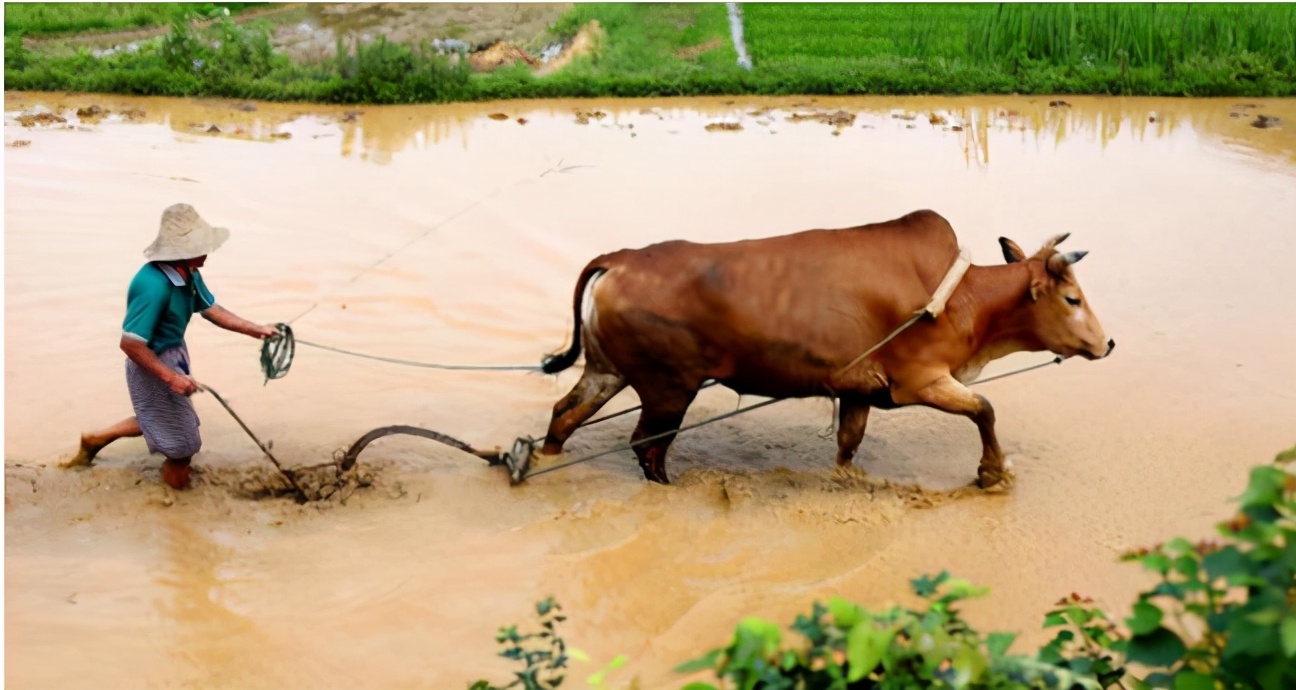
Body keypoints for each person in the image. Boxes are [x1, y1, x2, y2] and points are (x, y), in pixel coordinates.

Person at [64, 203, 278, 490]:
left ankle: (97, 440)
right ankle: (177, 504)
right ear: (182, 250)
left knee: (161, 417)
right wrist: (170, 377)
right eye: (201, 246)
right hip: (150, 363)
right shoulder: (152, 285)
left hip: (174, 353)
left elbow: (211, 309)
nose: (207, 252)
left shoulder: (189, 273)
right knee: (182, 449)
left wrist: (256, 329)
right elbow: (130, 344)